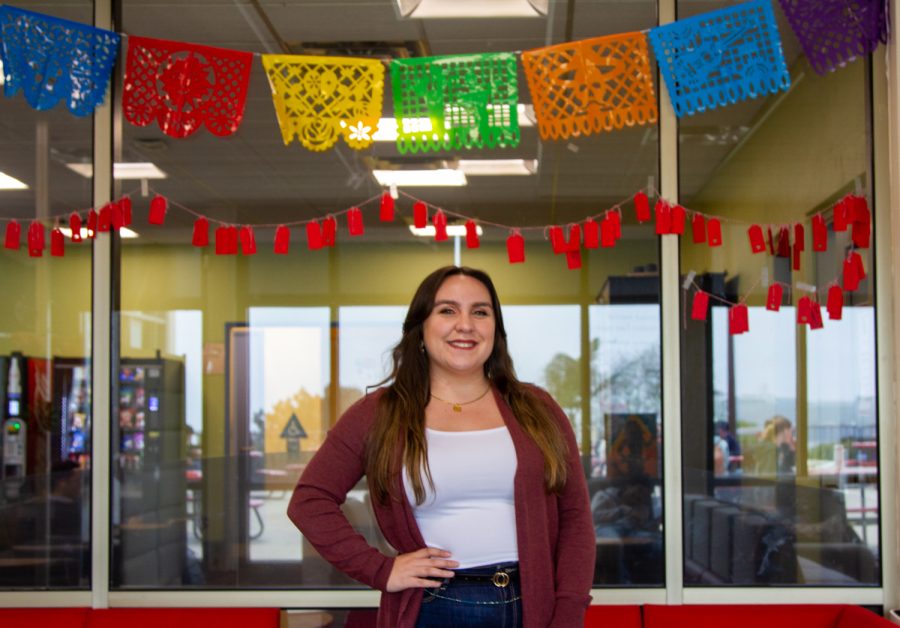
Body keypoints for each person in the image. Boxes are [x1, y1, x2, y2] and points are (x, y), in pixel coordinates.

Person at [288, 266, 595, 628]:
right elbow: (309, 502)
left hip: (532, 606)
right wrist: (380, 569)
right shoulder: (380, 413)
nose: (465, 324)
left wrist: (569, 612)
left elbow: (576, 519)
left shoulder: (537, 408)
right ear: (421, 328)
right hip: (434, 608)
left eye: (480, 312)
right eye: (447, 310)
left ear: (495, 330)